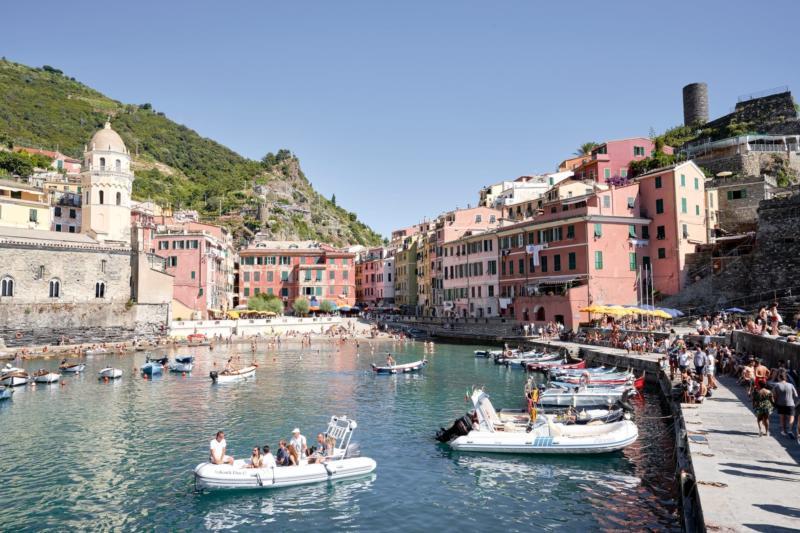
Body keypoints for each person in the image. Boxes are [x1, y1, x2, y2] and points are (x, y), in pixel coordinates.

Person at [773, 371, 798, 439]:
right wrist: (794, 402)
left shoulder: (776, 385)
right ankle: (790, 430)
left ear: (779, 377)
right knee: (791, 417)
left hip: (780, 404)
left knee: (782, 417)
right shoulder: (790, 385)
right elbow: (796, 395)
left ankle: (783, 431)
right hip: (791, 403)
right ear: (785, 378)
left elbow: (774, 396)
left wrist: (775, 403)